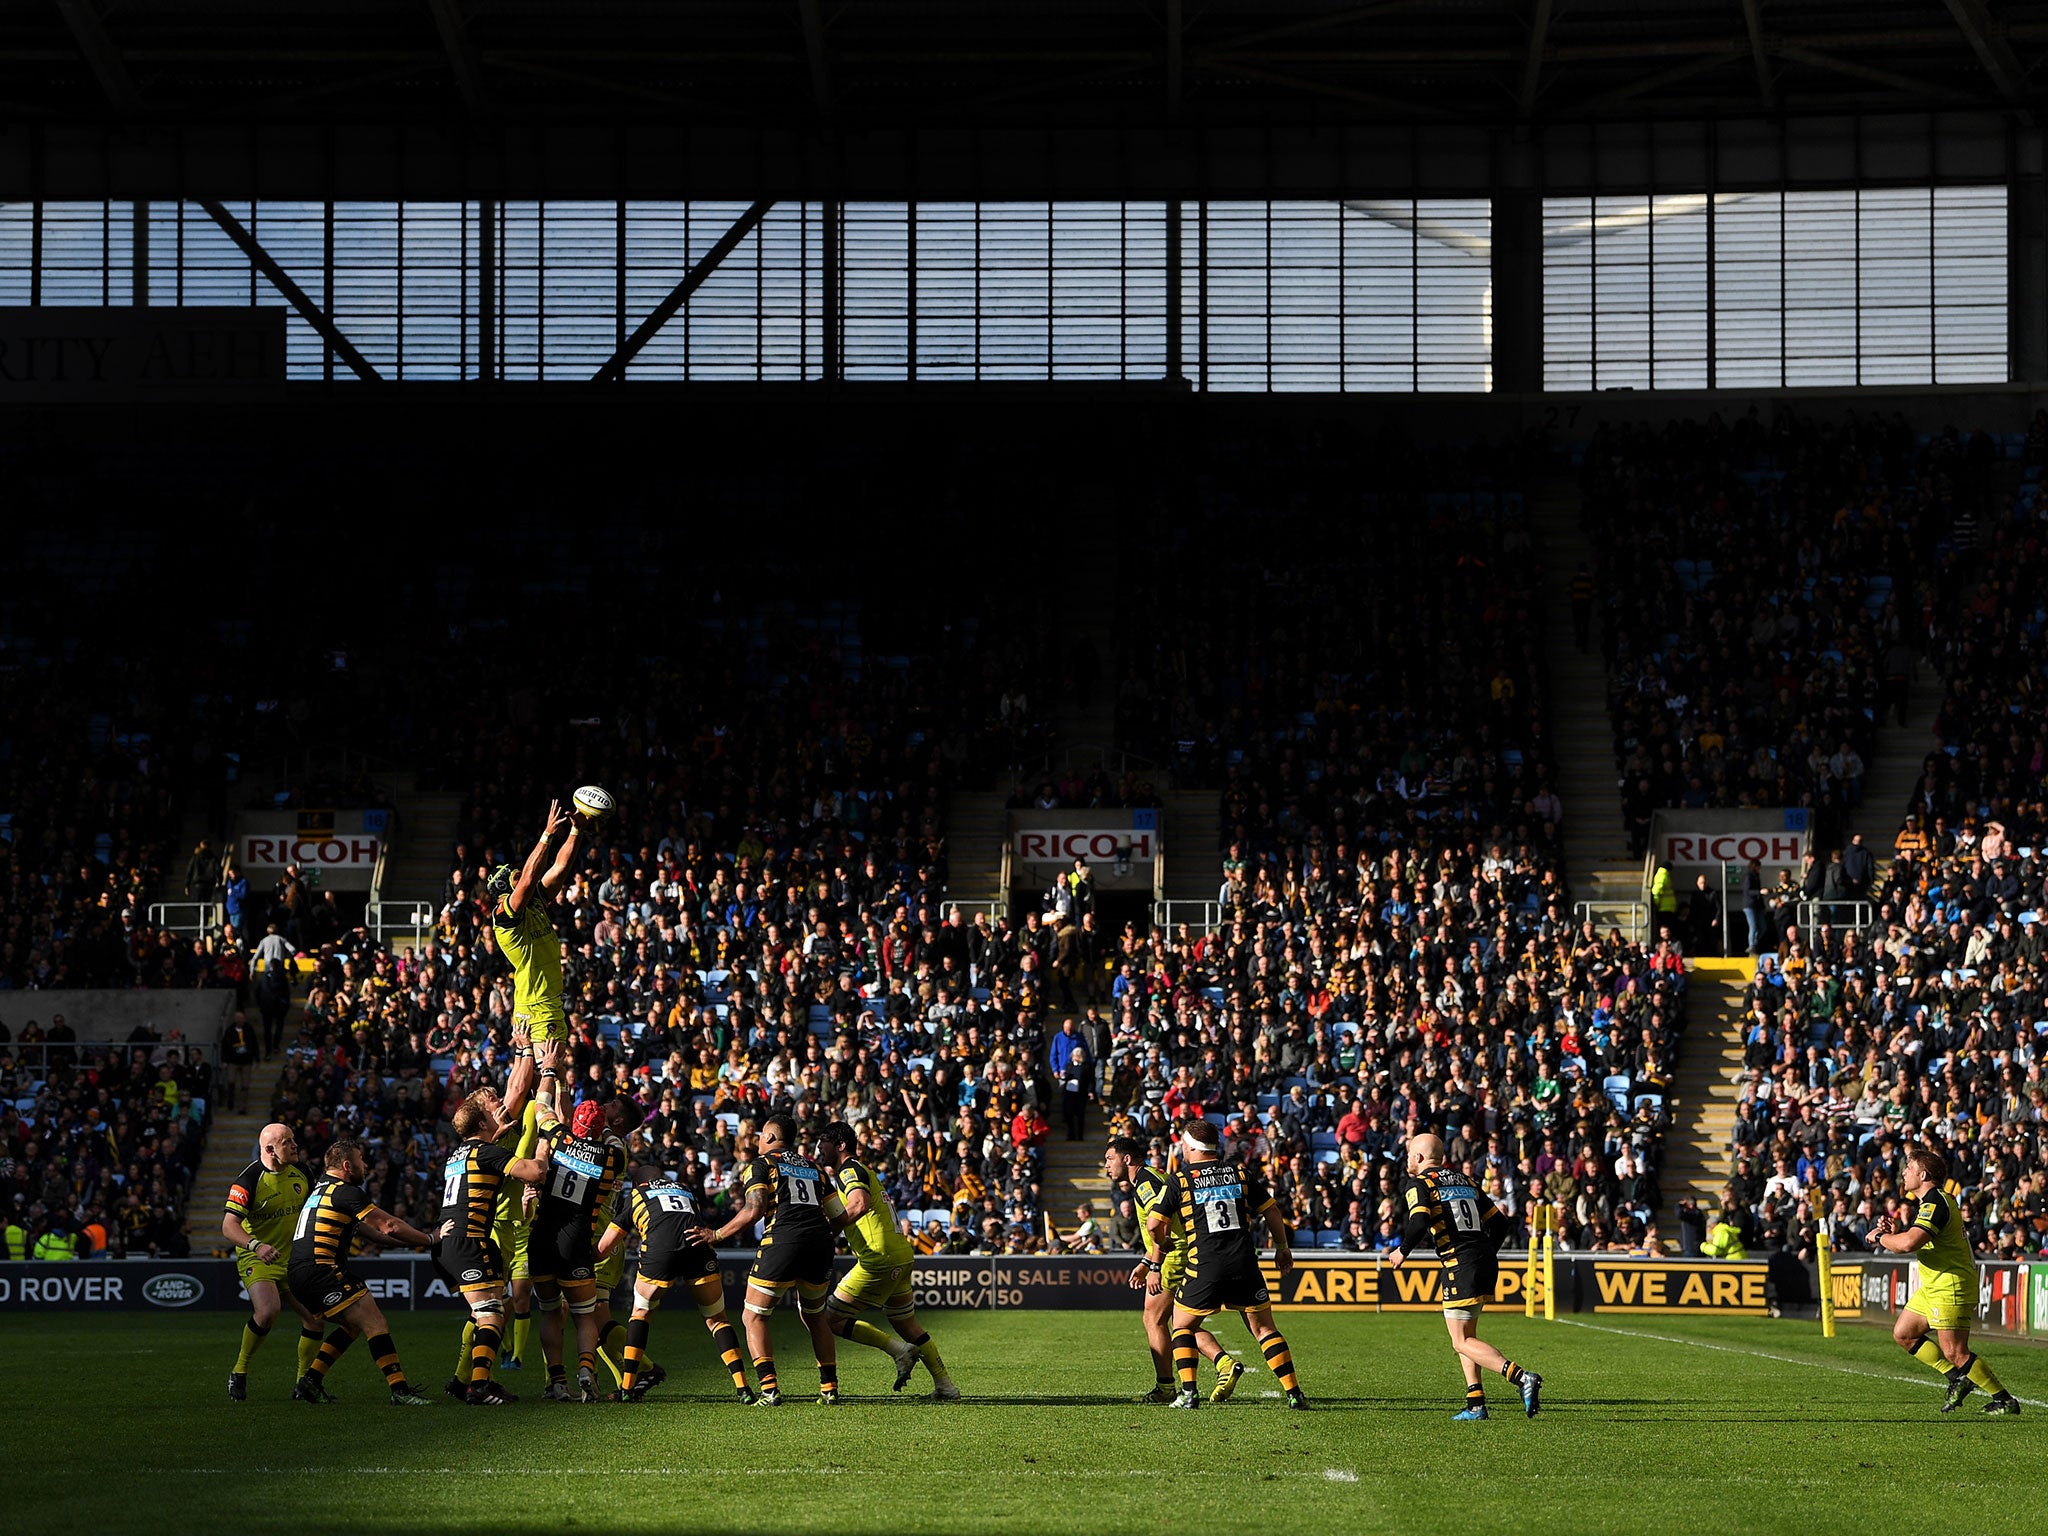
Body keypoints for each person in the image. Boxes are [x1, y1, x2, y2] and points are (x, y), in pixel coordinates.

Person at [1143, 1118, 1304, 1411]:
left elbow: (1154, 1224)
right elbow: (1272, 1211)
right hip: (1245, 1263)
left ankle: (1189, 1393)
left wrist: (1164, 1243)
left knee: (1181, 1326)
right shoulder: (1239, 1172)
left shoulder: (1179, 1179)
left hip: (1205, 1265)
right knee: (1265, 1330)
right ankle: (1295, 1394)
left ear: (1190, 1147)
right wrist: (1282, 1248)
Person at [1386, 1132, 1541, 1421]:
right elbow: (1501, 1223)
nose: (1407, 1159)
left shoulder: (1420, 1184)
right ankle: (1476, 1404)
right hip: (1482, 1259)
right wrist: (1484, 1251)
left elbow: (1418, 1221)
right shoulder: (1466, 1181)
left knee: (1460, 1341)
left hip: (1460, 1264)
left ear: (1418, 1158)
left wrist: (1402, 1250)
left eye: (1409, 1154)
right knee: (1467, 1336)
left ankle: (1522, 1378)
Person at [702, 1112, 849, 1405]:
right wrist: (817, 1235)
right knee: (815, 1316)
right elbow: (841, 1216)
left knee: (753, 1316)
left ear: (769, 1137)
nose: (757, 1140)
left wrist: (716, 1235)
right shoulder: (814, 1167)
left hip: (782, 1241)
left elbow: (754, 1209)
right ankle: (829, 1389)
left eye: (760, 1135)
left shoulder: (763, 1164)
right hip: (820, 1244)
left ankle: (769, 1389)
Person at [1870, 1144, 2020, 1415]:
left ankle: (2005, 1400)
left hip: (1950, 1285)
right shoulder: (1931, 1203)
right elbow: (1918, 1240)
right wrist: (1898, 1232)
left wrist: (1880, 1238)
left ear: (1924, 1175)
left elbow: (1908, 1244)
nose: (1904, 1173)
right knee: (1904, 1334)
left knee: (1955, 1352)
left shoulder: (1936, 1202)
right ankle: (1957, 1379)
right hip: (1934, 1286)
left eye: (1910, 1169)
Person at [288, 1137, 438, 1406]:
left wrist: (416, 1242)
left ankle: (310, 1381)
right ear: (347, 1165)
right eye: (361, 1159)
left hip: (300, 1273)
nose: (365, 1165)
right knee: (375, 1323)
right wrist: (430, 1239)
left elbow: (377, 1236)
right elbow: (388, 1225)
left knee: (351, 1326)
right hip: (320, 1271)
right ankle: (400, 1390)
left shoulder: (321, 1191)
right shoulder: (346, 1192)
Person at [816, 1120, 958, 1400]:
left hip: (879, 1258)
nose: (820, 1147)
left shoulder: (849, 1170)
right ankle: (945, 1386)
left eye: (824, 1141)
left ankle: (899, 1351)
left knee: (830, 1319)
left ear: (840, 1145)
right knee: (906, 1324)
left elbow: (859, 1204)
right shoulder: (864, 1170)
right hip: (901, 1255)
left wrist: (828, 1231)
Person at [597, 1165, 751, 1403]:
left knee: (640, 1314)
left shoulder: (638, 1194)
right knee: (717, 1319)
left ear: (639, 1183)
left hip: (660, 1250)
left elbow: (605, 1246)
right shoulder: (685, 1189)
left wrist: (586, 1260)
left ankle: (627, 1388)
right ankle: (743, 1388)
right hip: (697, 1246)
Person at [1105, 1135, 1240, 1404]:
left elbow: (1162, 1227)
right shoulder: (1149, 1178)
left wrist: (1155, 1266)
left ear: (1127, 1158)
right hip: (1175, 1251)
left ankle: (1166, 1386)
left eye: (1110, 1159)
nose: (1106, 1166)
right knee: (1181, 1322)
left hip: (1174, 1255)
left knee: (1153, 1319)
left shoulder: (1145, 1184)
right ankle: (1224, 1364)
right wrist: (1146, 1262)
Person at [436, 1089, 549, 1405]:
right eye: (491, 1114)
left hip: (453, 1239)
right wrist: (543, 1145)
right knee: (492, 1313)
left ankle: (463, 1382)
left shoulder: (460, 1152)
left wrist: (498, 1136)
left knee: (488, 1308)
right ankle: (478, 1386)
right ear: (482, 1123)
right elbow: (535, 1172)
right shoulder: (485, 1153)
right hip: (470, 1240)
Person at [529, 1096, 628, 1403]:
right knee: (585, 1316)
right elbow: (616, 1142)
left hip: (541, 1236)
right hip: (576, 1240)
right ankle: (586, 1371)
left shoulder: (558, 1137)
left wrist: (549, 1072)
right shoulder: (611, 1155)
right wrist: (606, 1128)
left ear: (575, 1124)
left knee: (549, 1312)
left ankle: (556, 1382)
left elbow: (540, 1109)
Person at [221, 1122, 320, 1401]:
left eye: (293, 1140)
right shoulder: (248, 1181)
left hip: (293, 1258)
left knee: (315, 1320)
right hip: (258, 1255)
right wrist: (256, 1245)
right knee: (268, 1311)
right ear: (269, 1150)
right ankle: (239, 1371)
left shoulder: (302, 1172)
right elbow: (229, 1226)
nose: (295, 1145)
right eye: (287, 1142)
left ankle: (303, 1385)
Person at [488, 797, 583, 1084]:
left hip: (540, 1006)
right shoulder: (504, 914)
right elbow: (529, 878)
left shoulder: (534, 903)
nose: (526, 876)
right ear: (507, 889)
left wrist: (577, 831)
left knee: (544, 1084)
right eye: (517, 877)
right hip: (538, 1008)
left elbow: (560, 868)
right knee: (550, 1083)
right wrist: (547, 834)